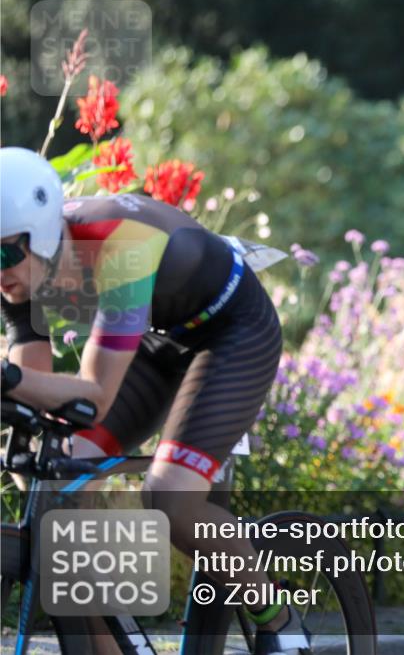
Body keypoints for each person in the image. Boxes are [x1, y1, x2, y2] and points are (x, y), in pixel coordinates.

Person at [0, 147, 308, 654]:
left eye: (5, 253)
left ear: (43, 234)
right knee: (55, 474)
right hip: (156, 336)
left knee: (169, 497)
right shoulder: (16, 275)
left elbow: (94, 398)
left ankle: (278, 620)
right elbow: (34, 393)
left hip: (232, 334)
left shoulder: (121, 244)